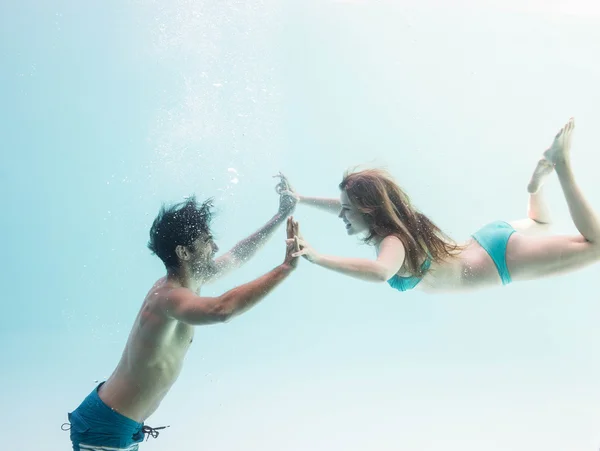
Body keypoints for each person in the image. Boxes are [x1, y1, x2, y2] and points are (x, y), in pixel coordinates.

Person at [64, 186, 300, 451]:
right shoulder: (169, 297)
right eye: (207, 241)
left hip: (117, 424)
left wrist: (281, 215)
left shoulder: (188, 282)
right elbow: (221, 310)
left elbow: (237, 255)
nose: (215, 247)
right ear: (183, 252)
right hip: (106, 428)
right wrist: (284, 269)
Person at [280, 118, 600, 292]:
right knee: (542, 223)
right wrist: (301, 200)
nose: (342, 214)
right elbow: (341, 206)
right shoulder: (394, 223)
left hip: (497, 257)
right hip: (487, 240)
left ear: (369, 211)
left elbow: (379, 272)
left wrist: (316, 257)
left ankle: (561, 164)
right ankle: (536, 186)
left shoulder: (393, 240)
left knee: (597, 245)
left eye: (348, 210)